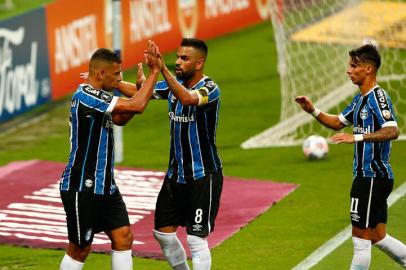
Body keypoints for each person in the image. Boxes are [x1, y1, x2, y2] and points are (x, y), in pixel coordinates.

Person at [295, 44, 406, 269]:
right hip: (371, 177)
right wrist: (313, 111)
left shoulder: (378, 97)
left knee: (360, 238)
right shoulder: (360, 100)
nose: (348, 70)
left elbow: (392, 130)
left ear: (367, 69)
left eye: (353, 66)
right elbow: (337, 122)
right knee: (377, 235)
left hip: (371, 176)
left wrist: (356, 138)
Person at [116, 38, 222, 270]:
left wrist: (161, 69)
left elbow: (188, 98)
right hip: (176, 176)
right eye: (177, 57)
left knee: (195, 238)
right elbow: (137, 92)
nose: (178, 62)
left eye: (184, 58)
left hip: (203, 175)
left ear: (199, 63)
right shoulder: (172, 86)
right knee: (162, 234)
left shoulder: (210, 89)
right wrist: (107, 81)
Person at [59, 41, 162, 270]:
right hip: (82, 185)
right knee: (80, 247)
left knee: (123, 237)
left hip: (105, 185)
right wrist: (155, 72)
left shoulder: (98, 95)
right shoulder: (86, 95)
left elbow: (121, 118)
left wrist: (140, 92)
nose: (118, 79)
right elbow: (136, 105)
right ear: (101, 72)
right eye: (116, 74)